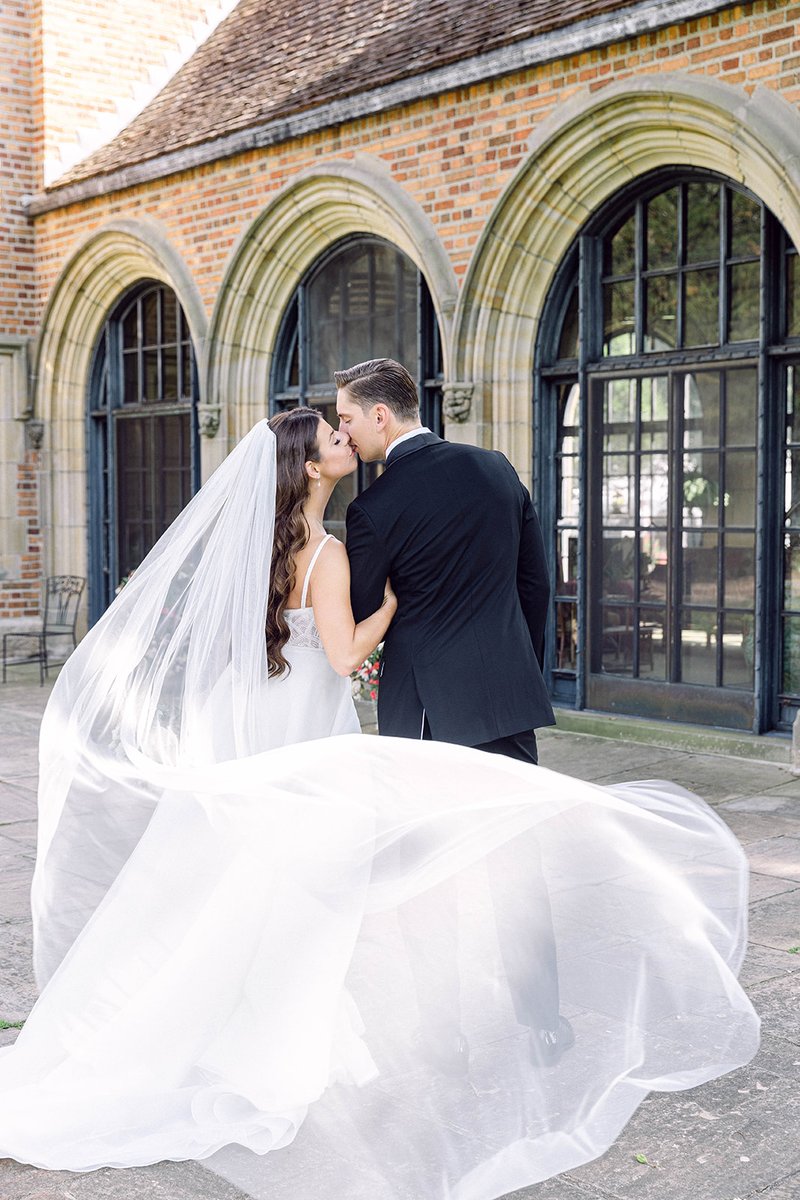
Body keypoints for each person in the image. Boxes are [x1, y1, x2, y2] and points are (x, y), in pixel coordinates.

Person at [0, 411, 758, 1200]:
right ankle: (285, 1041)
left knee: (250, 882)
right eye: (331, 436)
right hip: (306, 734)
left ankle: (231, 1025)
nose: (344, 440)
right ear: (309, 467)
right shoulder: (327, 551)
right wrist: (389, 611)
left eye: (344, 426)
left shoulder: (260, 544)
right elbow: (342, 654)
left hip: (260, 718)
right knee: (308, 884)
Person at [336, 358, 568, 1074]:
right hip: (504, 698)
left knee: (427, 877)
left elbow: (366, 608)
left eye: (346, 418)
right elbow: (536, 584)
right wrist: (513, 668)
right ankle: (544, 1024)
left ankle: (447, 1036)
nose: (343, 432)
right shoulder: (495, 468)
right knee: (516, 866)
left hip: (426, 712)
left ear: (381, 415)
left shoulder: (372, 509)